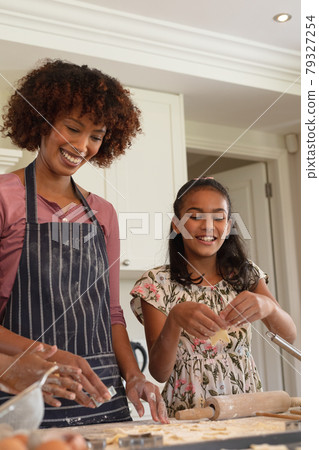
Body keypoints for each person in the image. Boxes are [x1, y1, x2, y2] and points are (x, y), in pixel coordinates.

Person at [0, 59, 168, 426]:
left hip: (101, 391)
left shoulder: (103, 213)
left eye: (96, 136)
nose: (82, 146)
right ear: (42, 121)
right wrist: (47, 354)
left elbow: (111, 313)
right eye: (73, 129)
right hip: (25, 388)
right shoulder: (5, 197)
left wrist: (134, 376)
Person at [130, 177, 297, 417]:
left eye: (218, 217)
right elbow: (159, 372)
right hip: (187, 416)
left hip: (247, 410)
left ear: (228, 226)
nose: (208, 226)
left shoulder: (246, 274)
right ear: (176, 225)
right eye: (195, 216)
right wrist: (174, 320)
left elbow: (289, 336)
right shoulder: (156, 284)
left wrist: (267, 306)